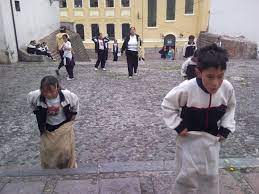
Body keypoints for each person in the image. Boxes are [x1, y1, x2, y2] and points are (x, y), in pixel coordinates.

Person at [162, 44, 236, 194]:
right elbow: (168, 104)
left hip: (211, 139)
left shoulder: (227, 88)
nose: (215, 83)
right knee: (186, 175)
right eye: (210, 76)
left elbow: (230, 107)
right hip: (188, 138)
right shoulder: (186, 88)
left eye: (220, 76)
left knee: (210, 175)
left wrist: (225, 128)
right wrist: (178, 125)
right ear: (199, 72)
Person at [27, 75, 79, 169]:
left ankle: (66, 166)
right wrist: (36, 112)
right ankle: (51, 167)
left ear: (57, 88)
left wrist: (72, 118)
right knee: (48, 149)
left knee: (65, 149)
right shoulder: (36, 96)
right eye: (45, 91)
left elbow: (75, 104)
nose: (48, 94)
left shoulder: (67, 95)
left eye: (51, 91)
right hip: (47, 126)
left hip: (63, 125)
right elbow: (30, 101)